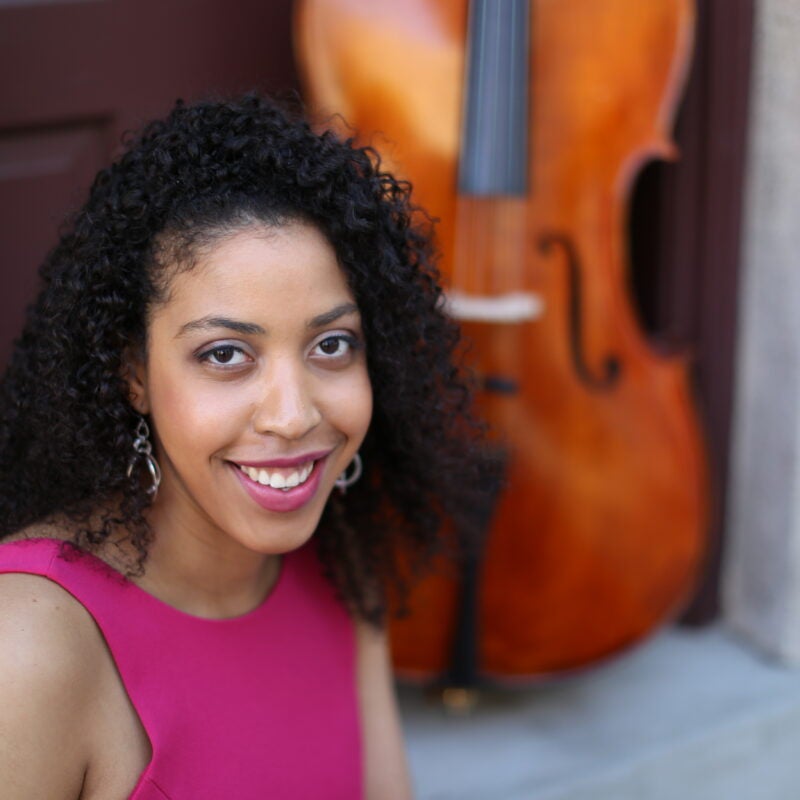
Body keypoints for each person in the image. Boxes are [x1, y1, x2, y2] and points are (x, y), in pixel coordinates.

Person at [0, 94, 491, 799]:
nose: (292, 416)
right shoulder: (30, 644)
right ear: (134, 374)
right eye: (225, 354)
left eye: (331, 345)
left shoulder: (347, 569)